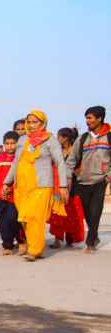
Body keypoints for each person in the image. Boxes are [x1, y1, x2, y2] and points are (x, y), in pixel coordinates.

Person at [1, 110, 68, 262]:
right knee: (24, 218)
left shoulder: (50, 140)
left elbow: (60, 162)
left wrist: (63, 185)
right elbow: (16, 163)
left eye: (35, 122)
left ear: (43, 123)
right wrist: (7, 183)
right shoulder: (22, 140)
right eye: (29, 122)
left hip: (42, 185)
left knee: (35, 217)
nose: (31, 125)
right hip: (22, 186)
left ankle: (35, 250)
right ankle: (35, 245)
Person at [66, 106, 110, 254]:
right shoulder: (83, 138)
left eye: (90, 118)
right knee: (87, 213)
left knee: (96, 211)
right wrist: (68, 177)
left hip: (100, 180)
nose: (87, 121)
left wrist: (108, 174)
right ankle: (95, 236)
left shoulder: (109, 137)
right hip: (82, 181)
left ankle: (90, 243)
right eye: (86, 118)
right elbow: (72, 159)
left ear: (100, 119)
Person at [48, 128, 85, 248]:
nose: (57, 139)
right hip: (57, 187)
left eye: (59, 137)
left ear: (66, 138)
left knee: (71, 213)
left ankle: (70, 237)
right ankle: (57, 239)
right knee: (57, 213)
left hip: (73, 187)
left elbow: (80, 168)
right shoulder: (56, 151)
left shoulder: (76, 152)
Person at [0, 131, 22, 255]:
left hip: (15, 196)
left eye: (12, 143)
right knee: (3, 221)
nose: (10, 146)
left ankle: (21, 241)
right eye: (7, 143)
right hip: (1, 196)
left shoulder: (20, 159)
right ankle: (7, 245)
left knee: (14, 219)